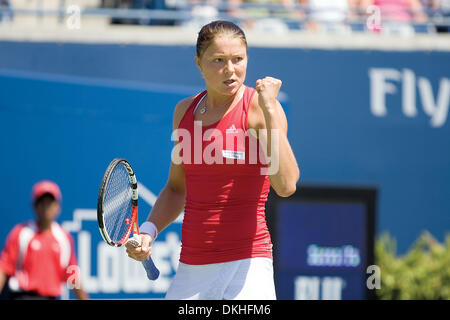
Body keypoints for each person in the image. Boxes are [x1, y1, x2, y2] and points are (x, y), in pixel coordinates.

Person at [126, 20, 300, 300]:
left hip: (249, 264)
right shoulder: (184, 111)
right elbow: (176, 188)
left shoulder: (262, 108)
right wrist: (148, 231)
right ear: (199, 63)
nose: (230, 70)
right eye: (218, 60)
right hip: (193, 267)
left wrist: (269, 110)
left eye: (238, 59)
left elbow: (287, 185)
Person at [0, 180, 88, 300]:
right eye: (42, 203)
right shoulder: (21, 233)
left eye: (50, 203)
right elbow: (3, 269)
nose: (46, 207)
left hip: (51, 297)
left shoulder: (64, 238)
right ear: (35, 206)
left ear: (57, 207)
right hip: (22, 296)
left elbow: (73, 276)